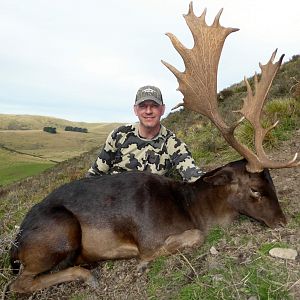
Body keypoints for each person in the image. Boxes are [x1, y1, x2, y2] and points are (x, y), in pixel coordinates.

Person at [86, 85, 204, 182]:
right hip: (113, 199)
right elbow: (95, 174)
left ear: (162, 109)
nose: (148, 111)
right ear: (135, 110)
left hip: (148, 204)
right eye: (143, 106)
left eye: (154, 106)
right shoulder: (119, 135)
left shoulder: (172, 143)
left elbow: (193, 176)